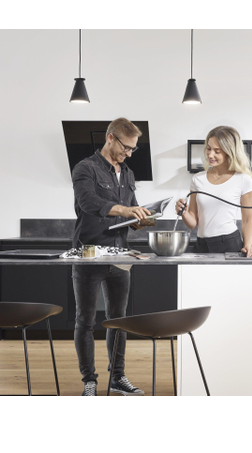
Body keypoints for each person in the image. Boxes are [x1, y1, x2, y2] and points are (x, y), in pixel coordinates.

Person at [71, 117, 152, 396]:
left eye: (132, 149)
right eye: (126, 147)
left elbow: (131, 209)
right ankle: (89, 381)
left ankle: (117, 377)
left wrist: (141, 218)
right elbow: (88, 202)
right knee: (86, 320)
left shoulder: (128, 173)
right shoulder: (85, 168)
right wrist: (125, 210)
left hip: (121, 255)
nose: (128, 153)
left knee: (118, 319)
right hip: (89, 254)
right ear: (110, 138)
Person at [175, 126, 252, 258]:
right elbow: (192, 223)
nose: (210, 155)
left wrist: (248, 245)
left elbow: (247, 220)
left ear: (229, 152)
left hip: (229, 243)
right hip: (201, 245)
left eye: (217, 151)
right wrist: (184, 212)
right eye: (208, 149)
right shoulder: (197, 179)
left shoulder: (243, 179)